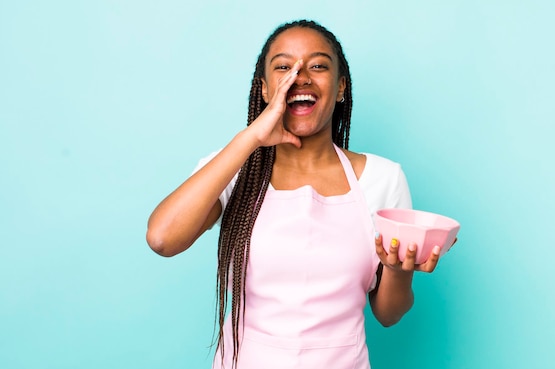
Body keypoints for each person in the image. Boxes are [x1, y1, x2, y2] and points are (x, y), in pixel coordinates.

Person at [146, 19, 445, 369]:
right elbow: (162, 238)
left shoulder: (383, 179)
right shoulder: (233, 169)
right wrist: (251, 138)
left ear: (340, 88)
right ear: (265, 89)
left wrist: (398, 270)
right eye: (284, 67)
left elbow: (388, 314)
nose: (300, 77)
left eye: (318, 66)